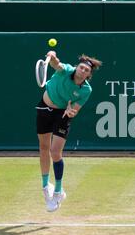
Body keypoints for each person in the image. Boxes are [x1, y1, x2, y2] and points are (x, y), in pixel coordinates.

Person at [36, 51, 102, 212]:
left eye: (86, 71)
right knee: (44, 148)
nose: (83, 71)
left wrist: (72, 112)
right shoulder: (65, 70)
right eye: (81, 68)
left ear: (88, 75)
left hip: (63, 114)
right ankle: (46, 188)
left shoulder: (86, 90)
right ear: (76, 67)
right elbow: (55, 64)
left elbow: (75, 109)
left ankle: (58, 190)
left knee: (55, 152)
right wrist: (52, 55)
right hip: (44, 108)